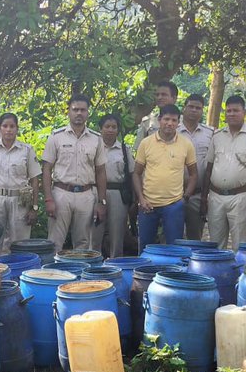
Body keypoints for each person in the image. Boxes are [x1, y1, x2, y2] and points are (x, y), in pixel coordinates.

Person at [202, 95, 246, 249]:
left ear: (244, 112)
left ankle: (239, 272)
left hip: (241, 197)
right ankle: (217, 273)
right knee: (215, 245)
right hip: (215, 197)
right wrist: (203, 199)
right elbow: (209, 169)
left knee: (240, 245)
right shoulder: (217, 136)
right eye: (228, 111)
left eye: (236, 110)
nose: (232, 114)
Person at [42, 94, 109, 250]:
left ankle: (79, 273)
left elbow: (101, 171)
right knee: (55, 242)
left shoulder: (96, 139)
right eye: (75, 109)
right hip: (61, 193)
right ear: (68, 112)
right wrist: (48, 199)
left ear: (88, 113)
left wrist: (101, 201)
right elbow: (46, 169)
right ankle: (52, 273)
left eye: (83, 110)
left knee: (83, 242)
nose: (79, 113)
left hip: (86, 195)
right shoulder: (56, 137)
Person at [0, 113, 42, 255]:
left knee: (20, 242)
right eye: (5, 126)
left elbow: (35, 180)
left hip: (19, 200)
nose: (8, 130)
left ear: (17, 129)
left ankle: (18, 271)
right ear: (0, 128)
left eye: (12, 126)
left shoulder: (26, 150)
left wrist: (34, 207)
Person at [134, 104, 197, 247]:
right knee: (145, 246)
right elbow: (136, 173)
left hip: (174, 205)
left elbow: (194, 174)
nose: (170, 123)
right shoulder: (146, 143)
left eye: (174, 120)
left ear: (178, 123)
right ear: (159, 119)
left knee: (174, 247)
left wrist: (185, 198)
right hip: (148, 204)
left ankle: (172, 270)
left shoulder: (186, 144)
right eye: (166, 119)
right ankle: (144, 270)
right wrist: (141, 199)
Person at [91, 114, 134, 257]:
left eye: (114, 127)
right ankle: (93, 264)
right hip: (96, 192)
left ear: (118, 130)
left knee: (117, 233)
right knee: (94, 232)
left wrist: (133, 199)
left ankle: (116, 264)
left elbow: (132, 174)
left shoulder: (124, 149)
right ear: (100, 129)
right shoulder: (93, 147)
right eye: (107, 127)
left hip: (117, 194)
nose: (110, 130)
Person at [178, 93, 215, 240]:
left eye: (198, 108)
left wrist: (205, 197)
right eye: (191, 106)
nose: (194, 110)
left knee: (195, 238)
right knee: (172, 237)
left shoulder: (210, 133)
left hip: (198, 196)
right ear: (184, 108)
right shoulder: (172, 131)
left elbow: (211, 165)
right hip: (174, 194)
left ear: (202, 111)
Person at [133, 80, 179, 149]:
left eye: (164, 94)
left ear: (174, 98)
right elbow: (139, 149)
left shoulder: (184, 121)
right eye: (157, 95)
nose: (159, 97)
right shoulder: (147, 122)